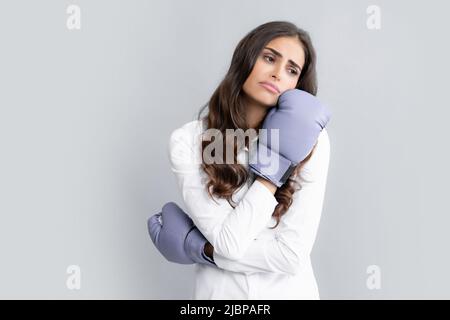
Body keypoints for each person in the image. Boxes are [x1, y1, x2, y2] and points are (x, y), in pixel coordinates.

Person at [148, 20, 332, 300]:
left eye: (291, 70)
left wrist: (203, 250)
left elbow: (291, 255)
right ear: (246, 57)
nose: (278, 74)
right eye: (269, 58)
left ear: (297, 84)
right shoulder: (189, 140)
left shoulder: (312, 141)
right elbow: (229, 243)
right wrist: (273, 172)